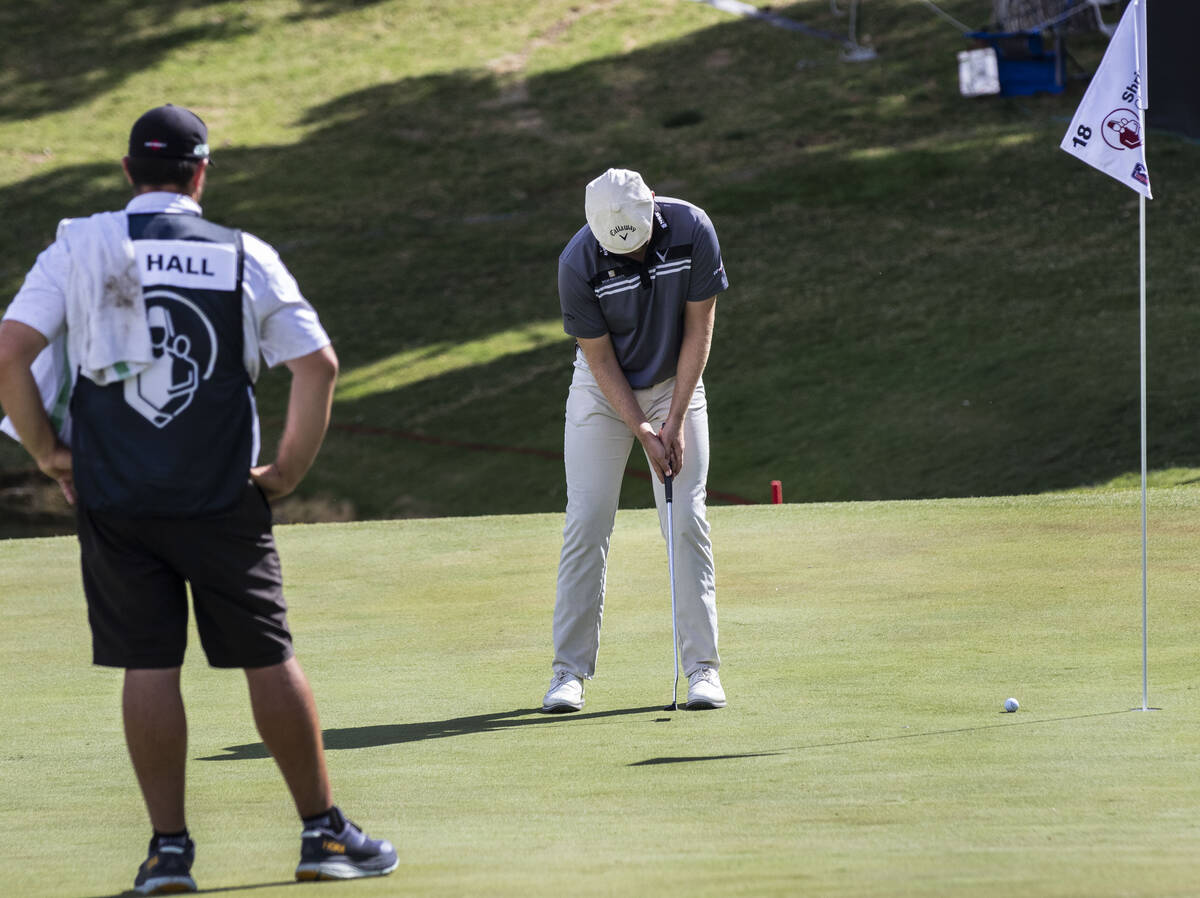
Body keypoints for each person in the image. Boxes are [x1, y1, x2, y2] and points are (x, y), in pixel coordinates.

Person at [0, 105, 397, 895]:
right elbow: (317, 365)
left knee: (148, 663)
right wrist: (284, 473)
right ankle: (322, 835)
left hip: (114, 499)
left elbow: (11, 353)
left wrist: (50, 454)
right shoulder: (243, 255)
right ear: (201, 174)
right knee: (267, 653)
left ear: (126, 174)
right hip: (220, 497)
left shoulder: (79, 246)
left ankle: (167, 855)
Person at [542, 168, 729, 713]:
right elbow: (598, 358)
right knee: (587, 519)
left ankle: (702, 669)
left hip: (676, 383)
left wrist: (672, 417)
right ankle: (568, 672)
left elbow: (700, 329)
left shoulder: (693, 228)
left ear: (652, 204)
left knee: (685, 517)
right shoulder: (577, 262)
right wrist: (643, 429)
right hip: (603, 393)